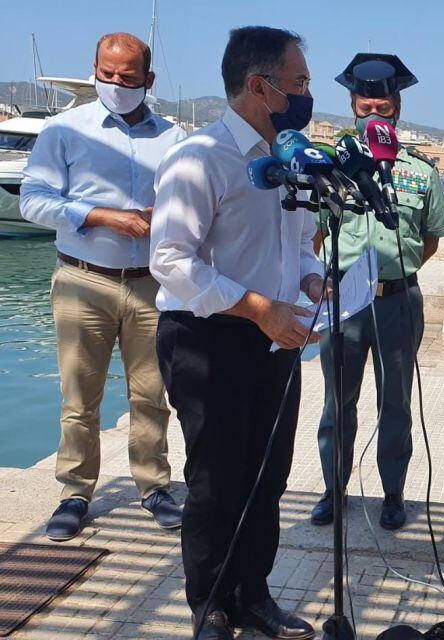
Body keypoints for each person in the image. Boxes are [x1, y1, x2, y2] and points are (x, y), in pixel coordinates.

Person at [151, 26, 322, 640]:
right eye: (299, 82)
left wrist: (312, 283)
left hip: (274, 339)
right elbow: (170, 260)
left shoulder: (288, 159)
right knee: (216, 481)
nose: (308, 92)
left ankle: (254, 594)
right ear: (260, 86)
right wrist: (255, 307)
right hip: (208, 339)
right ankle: (212, 604)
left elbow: (301, 245)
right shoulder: (199, 158)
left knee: (268, 475)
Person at [20, 32, 187, 542]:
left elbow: (193, 200)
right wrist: (100, 215)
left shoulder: (174, 138)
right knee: (79, 395)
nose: (115, 84)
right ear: (95, 70)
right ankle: (75, 491)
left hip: (152, 286)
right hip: (82, 279)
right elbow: (33, 200)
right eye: (107, 74)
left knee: (152, 395)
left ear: (148, 80)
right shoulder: (64, 130)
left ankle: (154, 486)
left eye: (128, 78)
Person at [309, 53, 444, 532]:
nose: (375, 106)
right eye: (367, 99)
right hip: (344, 301)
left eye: (384, 99)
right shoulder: (329, 166)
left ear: (397, 104)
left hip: (398, 302)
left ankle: (393, 494)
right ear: (352, 102)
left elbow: (429, 237)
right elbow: (310, 236)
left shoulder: (420, 170)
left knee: (396, 401)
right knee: (337, 401)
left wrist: (398, 274)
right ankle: (334, 489)